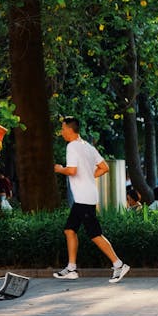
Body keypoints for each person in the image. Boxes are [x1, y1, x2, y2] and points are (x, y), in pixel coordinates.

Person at [53, 116, 130, 283]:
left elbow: (72, 171)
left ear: (69, 129)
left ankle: (119, 264)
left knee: (94, 234)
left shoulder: (72, 146)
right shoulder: (87, 147)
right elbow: (104, 167)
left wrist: (60, 169)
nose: (61, 132)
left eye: (63, 128)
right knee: (69, 230)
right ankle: (72, 268)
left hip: (83, 197)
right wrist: (89, 175)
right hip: (87, 195)